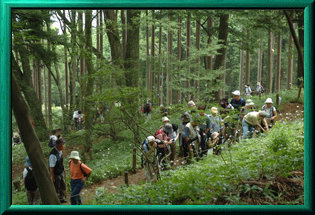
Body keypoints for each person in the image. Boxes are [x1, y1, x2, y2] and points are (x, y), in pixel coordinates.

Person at [49, 138, 67, 203]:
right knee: (57, 186)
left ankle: (62, 198)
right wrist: (52, 176)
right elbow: (51, 167)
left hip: (61, 171)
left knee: (63, 184)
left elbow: (61, 160)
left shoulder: (60, 151)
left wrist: (63, 168)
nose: (64, 146)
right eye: (63, 144)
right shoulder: (53, 155)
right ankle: (57, 199)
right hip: (56, 173)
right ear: (59, 145)